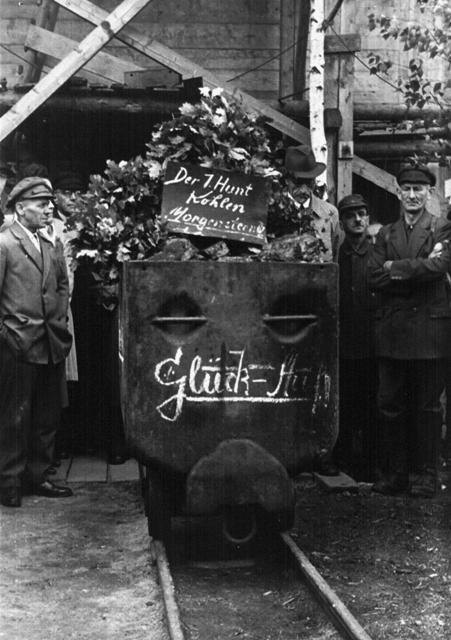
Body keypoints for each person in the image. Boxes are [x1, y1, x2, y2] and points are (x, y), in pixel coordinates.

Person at [368, 165, 451, 497]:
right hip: (393, 332)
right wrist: (414, 273)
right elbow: (372, 277)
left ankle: (425, 475)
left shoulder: (441, 228)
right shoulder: (386, 233)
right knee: (390, 404)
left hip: (430, 332)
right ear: (398, 192)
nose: (413, 195)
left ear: (429, 194)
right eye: (407, 189)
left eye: (419, 189)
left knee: (428, 406)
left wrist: (395, 269)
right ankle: (396, 474)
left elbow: (440, 267)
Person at [0, 177, 74, 507]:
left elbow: (61, 286)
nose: (49, 210)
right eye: (41, 204)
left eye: (49, 204)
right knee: (15, 414)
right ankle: (9, 481)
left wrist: (57, 321)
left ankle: (39, 475)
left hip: (50, 342)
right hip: (17, 343)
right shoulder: (4, 244)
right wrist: (6, 333)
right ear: (20, 208)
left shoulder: (50, 244)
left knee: (47, 414)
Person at [335, 194, 379, 480]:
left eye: (362, 214)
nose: (358, 220)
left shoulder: (377, 253)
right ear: (342, 221)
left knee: (371, 404)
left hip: (373, 341)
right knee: (346, 403)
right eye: (352, 215)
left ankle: (371, 463)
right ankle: (345, 460)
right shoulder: (338, 255)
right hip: (344, 341)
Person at [284, 144, 339, 261]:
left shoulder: (330, 213)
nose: (304, 190)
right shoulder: (272, 212)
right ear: (287, 180)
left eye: (308, 183)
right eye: (298, 182)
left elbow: (336, 258)